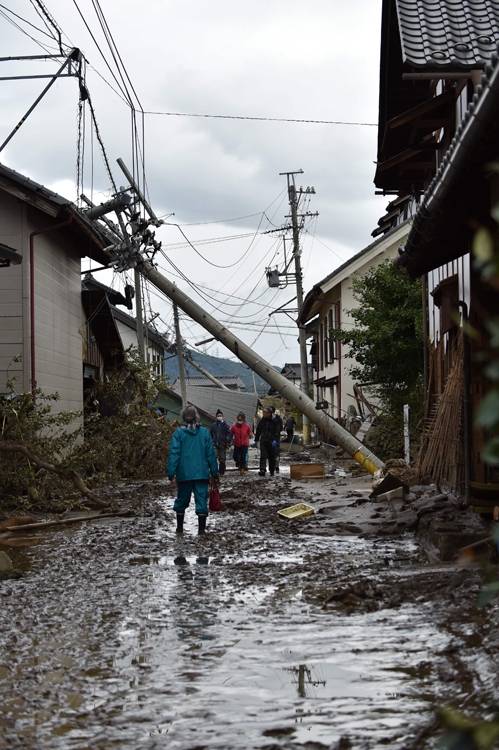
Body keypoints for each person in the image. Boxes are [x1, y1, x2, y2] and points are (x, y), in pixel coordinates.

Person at [167, 405, 219, 534]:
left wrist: (171, 472)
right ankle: (201, 530)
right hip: (201, 473)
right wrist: (214, 472)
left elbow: (174, 453)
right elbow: (210, 454)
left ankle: (179, 529)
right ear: (196, 416)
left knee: (181, 500)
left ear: (183, 417)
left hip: (184, 473)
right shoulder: (204, 432)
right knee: (201, 501)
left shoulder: (178, 433)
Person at [254, 406, 280, 476]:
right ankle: (262, 469)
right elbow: (258, 430)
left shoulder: (274, 421)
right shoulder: (262, 421)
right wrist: (256, 440)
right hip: (263, 441)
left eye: (266, 412)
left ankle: (272, 470)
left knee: (272, 457)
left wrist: (275, 440)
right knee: (263, 455)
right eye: (264, 412)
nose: (264, 414)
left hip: (271, 442)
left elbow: (277, 431)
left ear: (270, 413)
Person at [210, 409, 232, 476]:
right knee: (214, 458)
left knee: (222, 459)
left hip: (222, 445)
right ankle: (214, 471)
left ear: (222, 416)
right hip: (215, 445)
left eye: (220, 415)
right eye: (218, 415)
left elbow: (229, 434)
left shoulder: (225, 425)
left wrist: (227, 442)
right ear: (216, 416)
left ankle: (221, 471)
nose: (219, 416)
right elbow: (210, 434)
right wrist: (211, 441)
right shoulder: (213, 425)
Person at [270, 406, 283, 473]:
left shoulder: (278, 419)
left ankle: (276, 465)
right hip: (268, 438)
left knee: (276, 451)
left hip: (276, 437)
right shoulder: (266, 419)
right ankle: (271, 465)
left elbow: (280, 428)